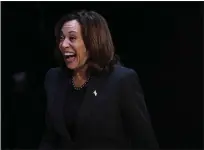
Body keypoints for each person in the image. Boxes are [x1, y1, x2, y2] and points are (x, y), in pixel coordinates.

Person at [39, 10, 159, 149]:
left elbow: (144, 141)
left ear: (92, 42)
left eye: (72, 38)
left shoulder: (121, 80)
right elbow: (50, 138)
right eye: (61, 38)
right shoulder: (53, 78)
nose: (63, 44)